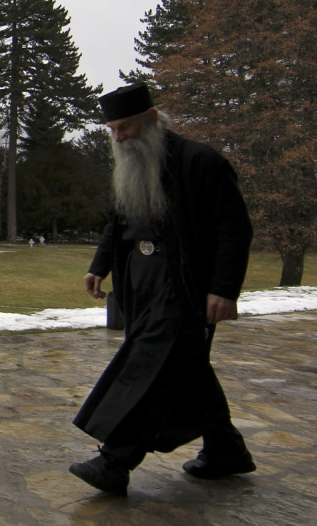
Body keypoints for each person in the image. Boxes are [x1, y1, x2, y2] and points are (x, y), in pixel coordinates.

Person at [69, 83, 255, 496]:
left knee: (150, 363)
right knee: (185, 365)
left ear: (151, 119)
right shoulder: (131, 164)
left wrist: (224, 290)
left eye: (125, 128)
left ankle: (116, 460)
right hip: (140, 282)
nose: (118, 138)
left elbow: (234, 230)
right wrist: (99, 266)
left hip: (183, 283)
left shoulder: (201, 162)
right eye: (112, 130)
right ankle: (226, 450)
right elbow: (117, 223)